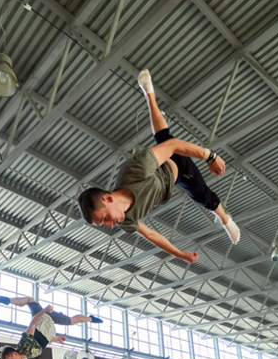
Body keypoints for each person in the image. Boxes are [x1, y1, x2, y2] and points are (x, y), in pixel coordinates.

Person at [77, 69, 240, 263]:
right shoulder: (126, 221)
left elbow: (173, 147)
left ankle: (225, 219)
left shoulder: (133, 170)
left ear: (108, 198)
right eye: (104, 224)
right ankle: (149, 93)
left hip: (178, 168)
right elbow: (152, 236)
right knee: (163, 136)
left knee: (202, 195)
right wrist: (180, 254)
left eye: (105, 219)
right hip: (162, 166)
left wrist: (210, 156)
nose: (110, 225)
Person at [0, 295, 102, 359]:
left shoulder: (24, 345)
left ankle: (90, 319)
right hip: (46, 325)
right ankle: (90, 318)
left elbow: (33, 323)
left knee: (71, 321)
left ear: (14, 354)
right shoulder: (27, 355)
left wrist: (45, 310)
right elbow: (43, 340)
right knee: (30, 300)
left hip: (45, 318)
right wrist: (57, 339)